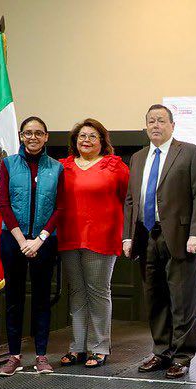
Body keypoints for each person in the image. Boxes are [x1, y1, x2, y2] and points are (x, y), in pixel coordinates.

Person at [123, 104, 196, 379]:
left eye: (161, 120)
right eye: (151, 121)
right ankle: (161, 351)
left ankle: (182, 356)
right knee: (155, 298)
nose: (156, 125)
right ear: (145, 127)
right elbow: (131, 200)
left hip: (182, 237)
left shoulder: (191, 152)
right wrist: (128, 236)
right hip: (146, 235)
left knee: (183, 300)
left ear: (173, 125)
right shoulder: (138, 157)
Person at [58, 118, 129, 369]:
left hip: (102, 238)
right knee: (77, 293)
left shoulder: (115, 166)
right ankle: (77, 346)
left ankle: (99, 347)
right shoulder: (63, 166)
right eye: (82, 136)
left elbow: (128, 200)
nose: (86, 140)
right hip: (69, 236)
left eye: (92, 136)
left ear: (102, 141)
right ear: (75, 141)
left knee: (98, 292)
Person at [0, 116, 62, 376]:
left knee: (42, 299)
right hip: (13, 240)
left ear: (46, 137)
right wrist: (23, 241)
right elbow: (3, 204)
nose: (33, 137)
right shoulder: (8, 164)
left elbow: (60, 207)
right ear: (21, 136)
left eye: (38, 133)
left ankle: (41, 356)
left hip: (44, 241)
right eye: (28, 133)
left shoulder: (57, 168)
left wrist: (39, 239)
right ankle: (13, 356)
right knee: (13, 299)